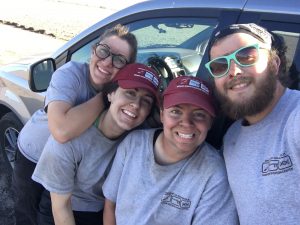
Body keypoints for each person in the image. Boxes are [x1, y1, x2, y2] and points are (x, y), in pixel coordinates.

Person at [12, 24, 137, 225]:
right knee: (27, 214)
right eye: (104, 51)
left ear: (128, 67)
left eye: (119, 59)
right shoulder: (70, 74)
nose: (107, 62)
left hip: (68, 168)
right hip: (34, 154)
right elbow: (61, 130)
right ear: (94, 49)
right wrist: (107, 96)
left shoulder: (125, 95)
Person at [31, 63, 161, 225]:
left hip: (104, 210)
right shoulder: (69, 141)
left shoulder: (140, 139)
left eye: (146, 101)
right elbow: (61, 207)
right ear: (110, 94)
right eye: (130, 93)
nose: (136, 104)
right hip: (67, 209)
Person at [103, 76, 239, 225]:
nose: (186, 123)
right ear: (162, 115)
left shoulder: (214, 174)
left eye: (199, 114)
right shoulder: (133, 144)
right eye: (176, 111)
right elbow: (111, 204)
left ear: (210, 122)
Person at [205, 23, 300, 224]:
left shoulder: (295, 118)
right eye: (220, 66)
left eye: (246, 56)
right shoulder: (232, 139)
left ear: (274, 63)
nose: (234, 71)